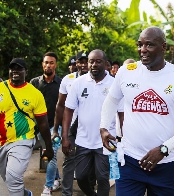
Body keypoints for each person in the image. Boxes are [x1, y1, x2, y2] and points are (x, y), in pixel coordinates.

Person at [100, 26, 174, 196]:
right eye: (140, 45)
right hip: (130, 162)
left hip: (166, 165)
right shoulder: (126, 72)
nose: (143, 50)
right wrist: (103, 127)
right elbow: (111, 100)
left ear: (163, 47)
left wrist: (164, 149)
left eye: (149, 45)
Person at [62, 49, 116, 196]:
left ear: (105, 64)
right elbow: (68, 110)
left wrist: (122, 137)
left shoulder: (114, 84)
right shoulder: (78, 83)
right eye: (91, 61)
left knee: (103, 178)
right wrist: (65, 137)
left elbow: (122, 113)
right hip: (83, 140)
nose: (94, 64)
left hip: (105, 141)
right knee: (80, 176)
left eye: (98, 61)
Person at [0, 58, 53, 196]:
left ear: (26, 72)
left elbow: (43, 123)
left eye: (19, 69)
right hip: (2, 141)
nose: (15, 71)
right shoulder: (1, 87)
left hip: (22, 140)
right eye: (12, 69)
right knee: (8, 179)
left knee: (13, 177)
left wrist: (48, 146)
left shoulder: (35, 94)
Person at [52, 51, 89, 196]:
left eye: (86, 61)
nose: (84, 64)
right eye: (81, 61)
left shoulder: (98, 79)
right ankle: (66, 193)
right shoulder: (68, 80)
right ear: (76, 63)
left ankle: (89, 190)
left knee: (88, 163)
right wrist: (56, 129)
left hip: (89, 128)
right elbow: (60, 106)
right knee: (69, 160)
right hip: (72, 127)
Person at [30, 52, 62, 195]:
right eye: (46, 62)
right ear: (42, 64)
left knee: (52, 154)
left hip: (56, 127)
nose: (48, 65)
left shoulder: (62, 83)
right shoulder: (34, 83)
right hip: (40, 127)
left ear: (56, 65)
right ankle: (57, 179)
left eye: (51, 62)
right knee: (48, 153)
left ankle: (47, 187)